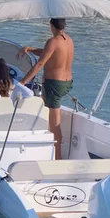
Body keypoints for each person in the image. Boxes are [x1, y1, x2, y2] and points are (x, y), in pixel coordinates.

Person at [16, 18, 74, 160]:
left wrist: (23, 82)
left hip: (54, 84)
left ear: (52, 27)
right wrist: (30, 49)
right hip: (67, 82)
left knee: (55, 122)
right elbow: (48, 52)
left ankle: (58, 157)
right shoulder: (68, 40)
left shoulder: (52, 41)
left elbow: (40, 63)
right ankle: (51, 150)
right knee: (52, 118)